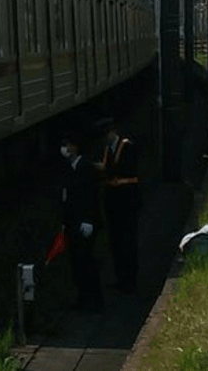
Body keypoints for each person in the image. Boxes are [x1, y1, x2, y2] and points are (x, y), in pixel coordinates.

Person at [95, 117, 140, 294]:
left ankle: (130, 280)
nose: (105, 137)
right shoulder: (108, 149)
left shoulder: (127, 146)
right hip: (113, 202)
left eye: (106, 133)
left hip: (127, 201)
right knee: (116, 242)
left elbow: (121, 171)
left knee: (128, 241)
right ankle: (121, 278)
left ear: (113, 130)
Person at [60, 132, 103, 312]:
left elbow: (90, 196)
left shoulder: (85, 167)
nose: (64, 149)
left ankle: (94, 300)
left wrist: (88, 220)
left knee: (86, 261)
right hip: (72, 223)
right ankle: (84, 298)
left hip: (83, 223)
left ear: (76, 147)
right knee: (77, 262)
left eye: (68, 145)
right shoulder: (71, 168)